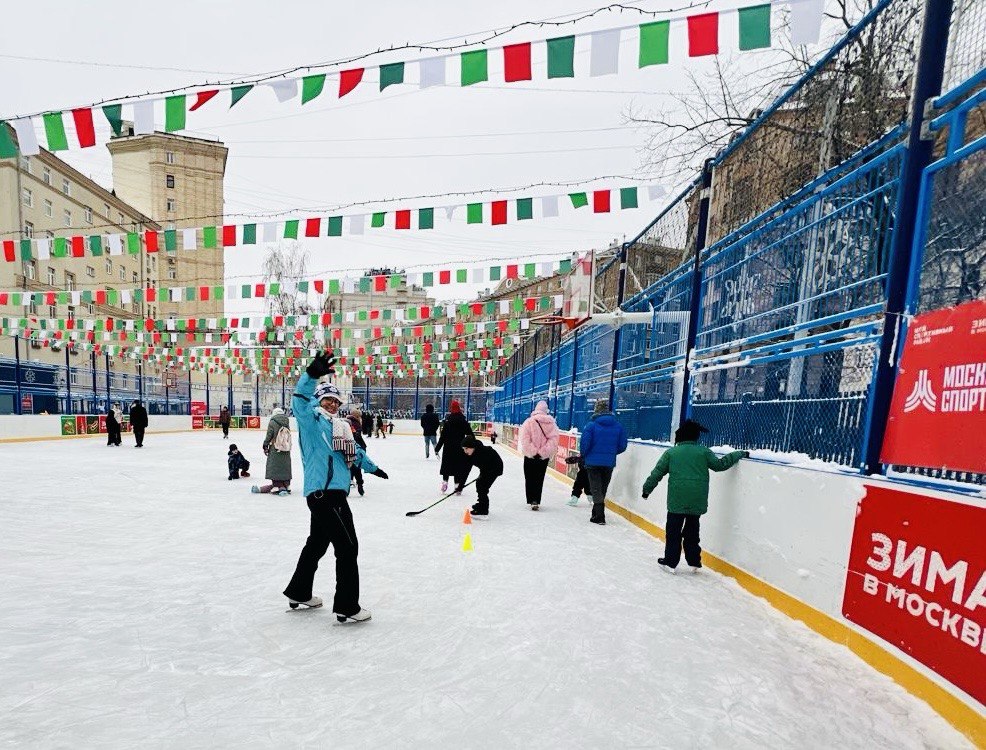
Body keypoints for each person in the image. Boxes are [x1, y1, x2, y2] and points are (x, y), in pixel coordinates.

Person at [283, 351, 388, 623]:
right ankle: (347, 605)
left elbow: (354, 454)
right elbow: (299, 401)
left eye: (335, 401)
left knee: (316, 544)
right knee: (348, 547)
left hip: (331, 494)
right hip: (325, 495)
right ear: (319, 400)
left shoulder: (339, 427)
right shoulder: (310, 421)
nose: (331, 404)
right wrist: (311, 375)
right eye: (327, 399)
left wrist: (373, 468)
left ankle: (299, 591)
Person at [642, 419, 749, 573]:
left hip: (677, 500)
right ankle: (694, 561)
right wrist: (739, 453)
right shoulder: (704, 452)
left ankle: (671, 562)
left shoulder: (671, 453)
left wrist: (647, 490)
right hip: (697, 500)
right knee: (692, 531)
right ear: (695, 436)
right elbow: (720, 465)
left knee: (673, 532)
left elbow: (657, 473)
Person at [579, 399, 628, 525]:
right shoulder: (618, 426)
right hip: (608, 462)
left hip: (592, 463)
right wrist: (610, 453)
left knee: (596, 488)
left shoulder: (591, 425)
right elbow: (622, 445)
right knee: (602, 488)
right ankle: (595, 514)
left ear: (596, 411)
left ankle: (600, 516)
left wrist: (584, 455)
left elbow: (585, 444)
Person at [518, 401, 560, 511]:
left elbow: (525, 439)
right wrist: (543, 451)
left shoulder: (528, 422)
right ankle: (536, 499)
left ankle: (531, 499)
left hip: (530, 456)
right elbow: (554, 440)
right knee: (539, 478)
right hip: (543, 457)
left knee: (529, 477)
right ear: (546, 410)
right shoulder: (552, 424)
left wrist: (533, 451)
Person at [435, 400, 473, 493]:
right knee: (458, 467)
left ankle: (445, 483)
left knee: (446, 466)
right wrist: (473, 445)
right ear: (459, 408)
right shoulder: (463, 421)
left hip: (448, 447)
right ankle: (457, 486)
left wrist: (437, 448)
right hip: (460, 448)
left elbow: (443, 437)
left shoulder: (448, 421)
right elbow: (470, 435)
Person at [460, 435, 503, 516]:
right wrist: (461, 485)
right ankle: (481, 504)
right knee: (480, 484)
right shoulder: (470, 455)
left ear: (472, 447)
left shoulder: (482, 452)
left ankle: (483, 510)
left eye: (466, 448)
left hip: (495, 467)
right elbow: (466, 471)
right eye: (464, 449)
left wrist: (483, 475)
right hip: (486, 468)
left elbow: (488, 466)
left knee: (482, 486)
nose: (465, 451)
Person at [252, 407, 291, 495]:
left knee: (275, 465)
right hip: (285, 448)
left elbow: (269, 435)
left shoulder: (273, 421)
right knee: (285, 466)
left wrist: (265, 444)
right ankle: (287, 484)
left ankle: (277, 485)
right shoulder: (287, 421)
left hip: (275, 447)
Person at [347, 410, 367, 496]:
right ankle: (359, 484)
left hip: (349, 447)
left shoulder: (347, 421)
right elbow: (356, 436)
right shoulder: (355, 423)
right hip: (356, 447)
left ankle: (349, 484)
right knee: (357, 467)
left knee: (349, 466)